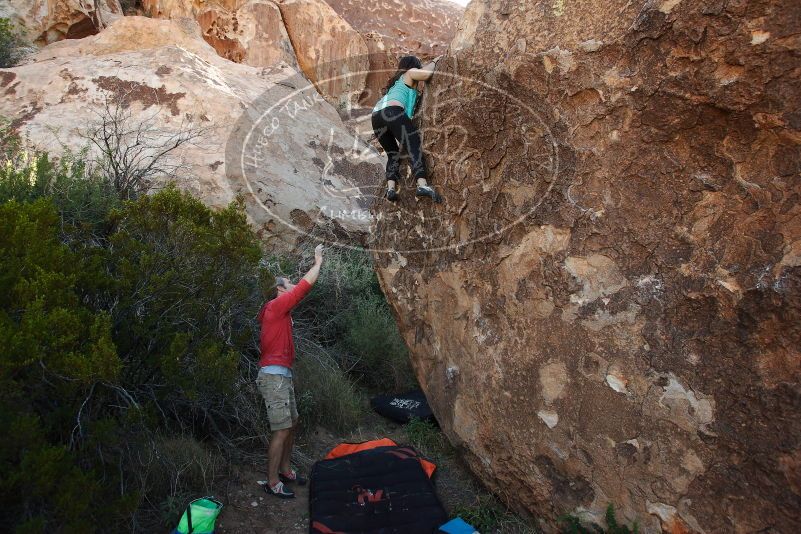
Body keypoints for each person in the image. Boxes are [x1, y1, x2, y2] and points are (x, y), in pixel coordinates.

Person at [256, 244, 324, 499]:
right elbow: (304, 288)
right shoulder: (274, 307)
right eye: (289, 282)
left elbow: (299, 291)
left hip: (282, 375)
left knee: (292, 424)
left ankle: (285, 469)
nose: (293, 285)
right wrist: (317, 263)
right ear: (279, 290)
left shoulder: (281, 313)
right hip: (273, 377)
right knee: (281, 429)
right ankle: (272, 481)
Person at [371, 55, 442, 203]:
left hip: (376, 116)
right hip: (392, 111)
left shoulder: (396, 84)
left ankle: (390, 189)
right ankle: (422, 185)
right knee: (413, 143)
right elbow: (426, 74)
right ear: (413, 66)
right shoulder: (409, 73)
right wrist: (436, 61)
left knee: (392, 154)